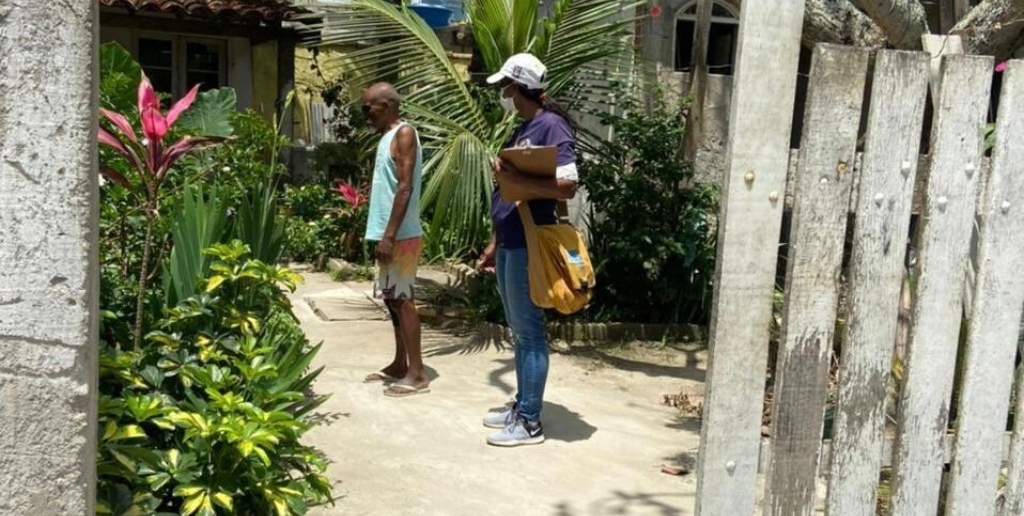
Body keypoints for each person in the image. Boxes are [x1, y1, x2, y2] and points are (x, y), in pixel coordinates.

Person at [477, 54, 579, 446]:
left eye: (506, 86)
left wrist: (516, 177)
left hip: (528, 246)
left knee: (529, 332)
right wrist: (494, 242)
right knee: (519, 332)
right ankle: (522, 404)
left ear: (518, 89)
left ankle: (531, 422)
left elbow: (566, 187)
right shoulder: (526, 128)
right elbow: (512, 194)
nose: (503, 94)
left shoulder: (551, 126)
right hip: (510, 242)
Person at [360, 82, 429, 398]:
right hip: (388, 233)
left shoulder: (404, 134)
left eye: (367, 109)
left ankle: (416, 374)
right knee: (391, 300)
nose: (365, 116)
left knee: (402, 300)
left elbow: (404, 187)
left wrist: (388, 236)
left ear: (386, 105)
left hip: (400, 235)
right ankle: (401, 363)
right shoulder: (388, 137)